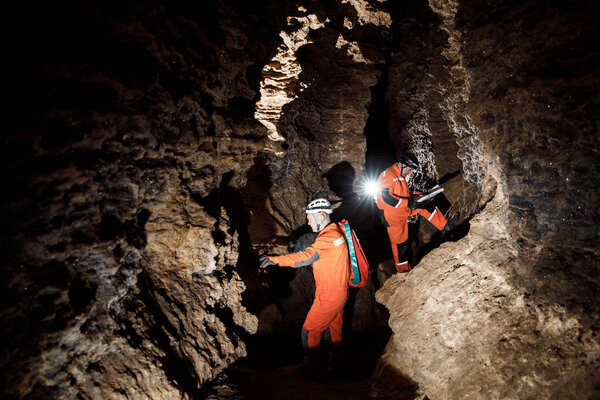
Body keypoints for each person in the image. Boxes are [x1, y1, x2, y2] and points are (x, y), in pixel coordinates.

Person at [259, 198, 350, 375]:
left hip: (329, 296)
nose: (308, 222)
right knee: (333, 330)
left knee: (309, 331)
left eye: (309, 217)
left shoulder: (329, 237)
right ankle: (334, 367)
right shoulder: (335, 233)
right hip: (339, 292)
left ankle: (312, 369)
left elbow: (306, 257)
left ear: (322, 215)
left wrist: (275, 260)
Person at [375, 153, 458, 273]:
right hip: (393, 216)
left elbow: (401, 193)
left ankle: (446, 226)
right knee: (400, 245)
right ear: (403, 164)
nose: (410, 172)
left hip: (403, 210)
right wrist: (408, 204)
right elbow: (386, 197)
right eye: (410, 169)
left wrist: (419, 195)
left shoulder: (398, 174)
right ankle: (403, 272)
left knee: (426, 206)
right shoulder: (388, 174)